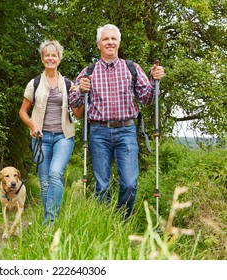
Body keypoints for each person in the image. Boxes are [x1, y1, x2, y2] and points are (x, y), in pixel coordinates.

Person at [69, 24, 165, 219]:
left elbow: (147, 98)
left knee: (130, 183)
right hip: (98, 132)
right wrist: (80, 89)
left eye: (113, 39)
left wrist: (156, 81)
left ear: (119, 42)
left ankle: (122, 220)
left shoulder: (132, 68)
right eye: (106, 39)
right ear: (98, 45)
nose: (110, 42)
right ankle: (105, 223)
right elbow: (72, 102)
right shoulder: (89, 71)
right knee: (102, 185)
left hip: (126, 131)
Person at [19, 40, 81, 225]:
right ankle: (49, 223)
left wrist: (81, 96)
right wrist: (32, 125)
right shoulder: (34, 83)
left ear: (59, 59)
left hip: (64, 136)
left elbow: (78, 113)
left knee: (55, 174)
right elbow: (22, 112)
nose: (50, 58)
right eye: (47, 55)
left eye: (54, 55)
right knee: (44, 182)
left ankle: (50, 222)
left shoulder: (69, 84)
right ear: (42, 58)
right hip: (40, 138)